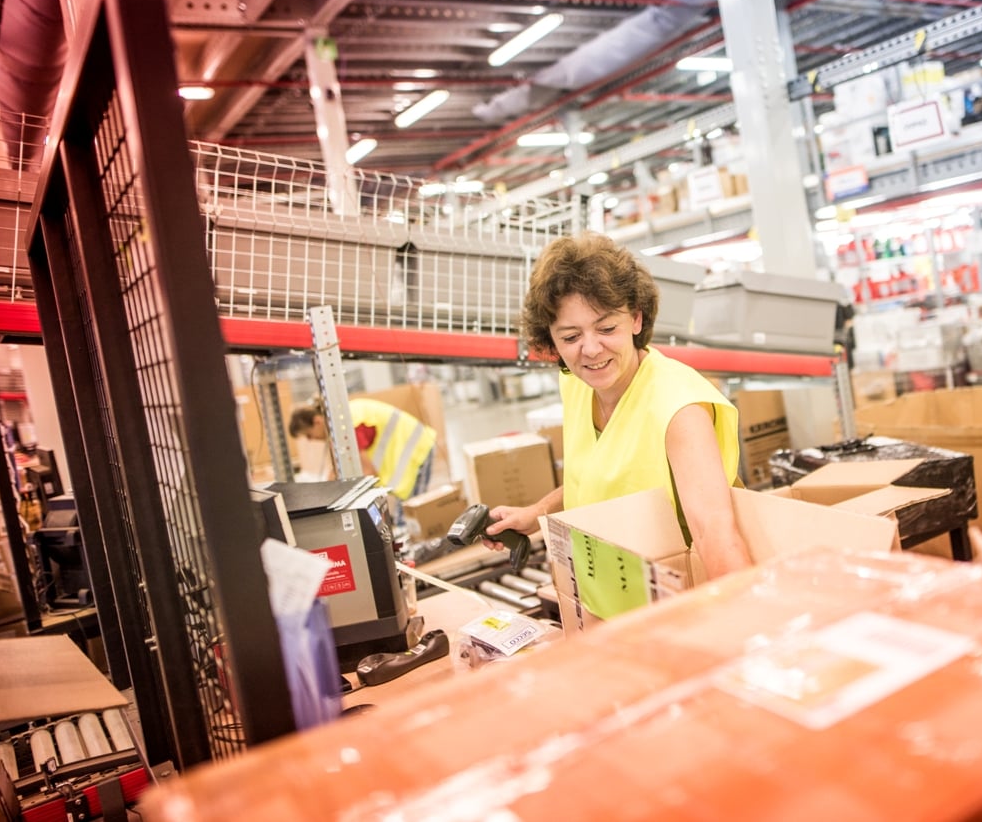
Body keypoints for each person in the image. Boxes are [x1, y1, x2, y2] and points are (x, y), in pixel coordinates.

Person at [484, 232, 752, 579]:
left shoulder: (679, 408)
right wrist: (537, 512)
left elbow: (713, 531)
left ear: (636, 319)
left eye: (607, 327)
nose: (591, 349)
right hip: (608, 588)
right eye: (570, 337)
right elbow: (598, 481)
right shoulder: (577, 384)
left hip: (677, 599)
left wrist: (753, 617)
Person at [288, 397, 435, 501]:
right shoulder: (339, 423)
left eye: (308, 435)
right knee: (406, 519)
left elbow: (369, 472)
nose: (311, 440)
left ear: (317, 421)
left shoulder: (347, 425)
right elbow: (337, 469)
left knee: (413, 516)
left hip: (417, 449)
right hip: (407, 454)